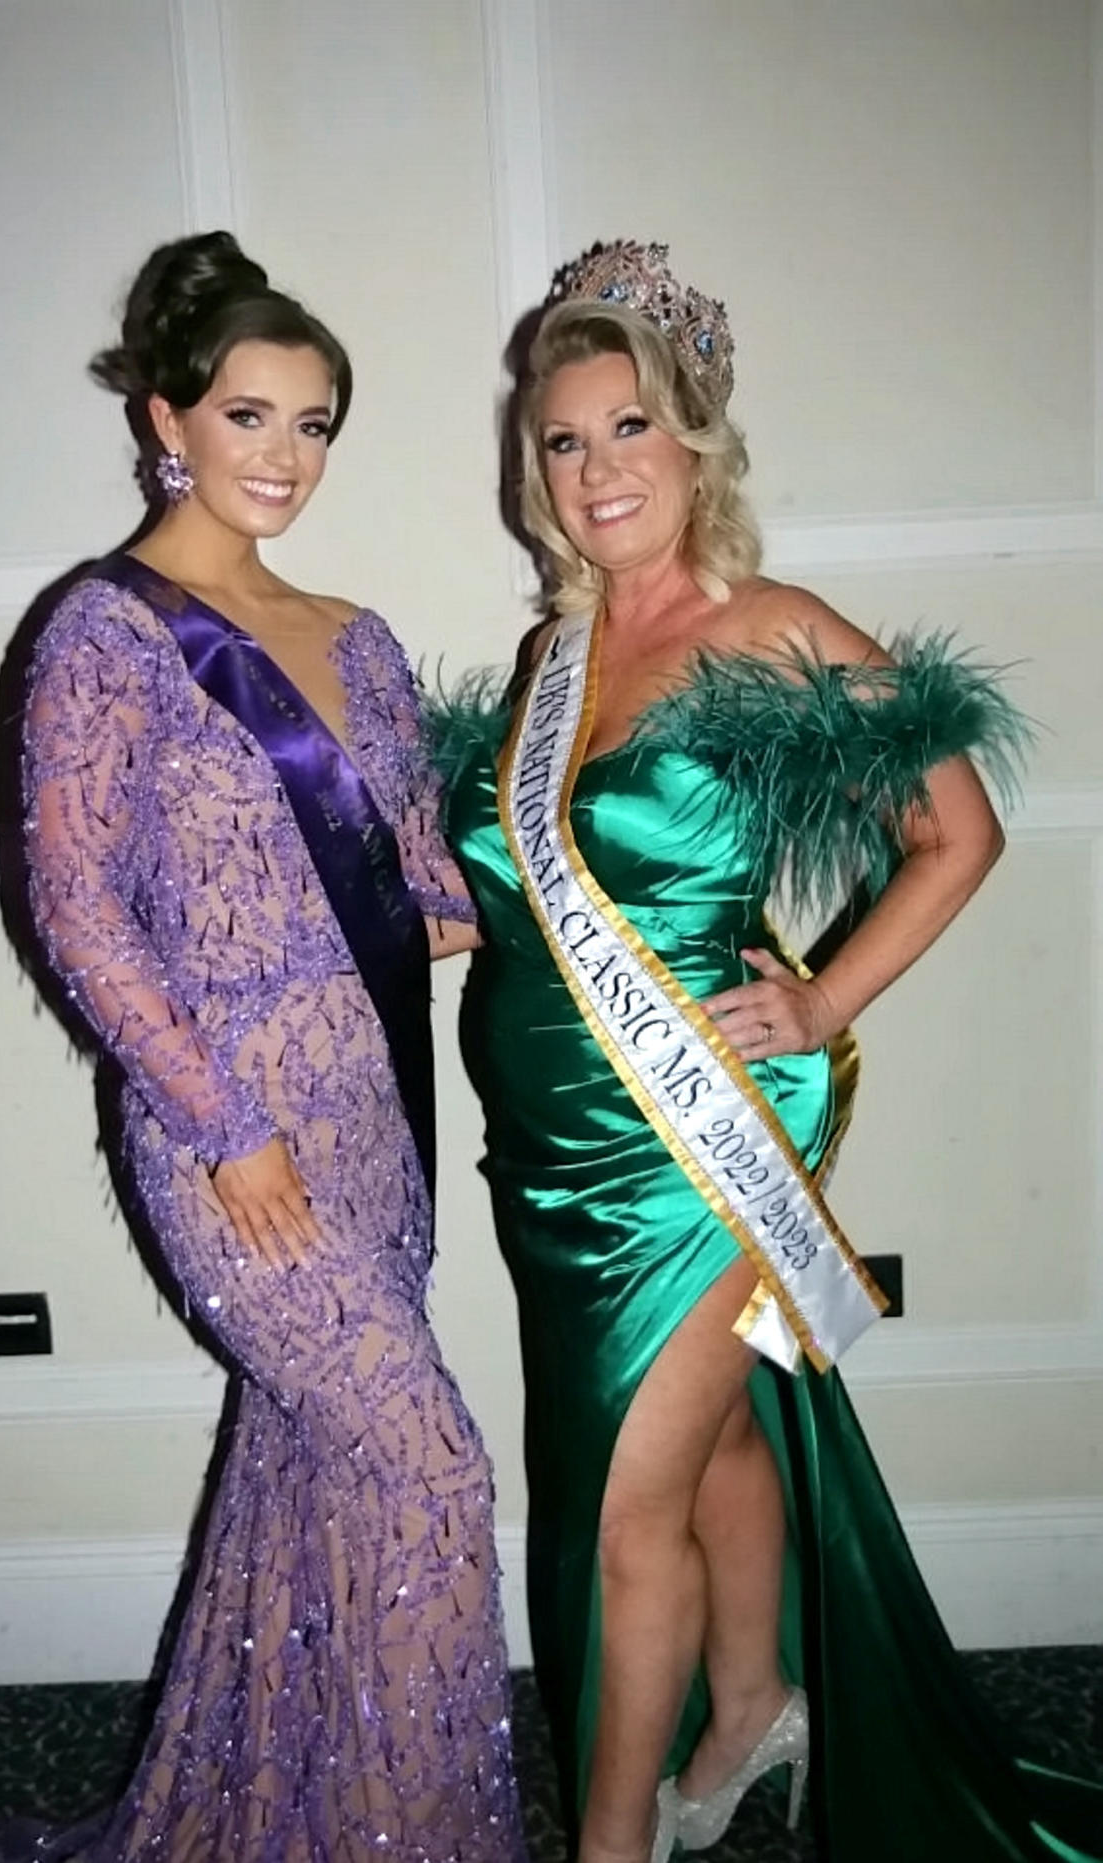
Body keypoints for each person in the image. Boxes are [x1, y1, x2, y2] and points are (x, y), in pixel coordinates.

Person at [433, 240, 1103, 1863]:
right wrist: (474, 915)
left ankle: (610, 1845)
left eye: (629, 429)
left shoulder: (770, 626)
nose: (597, 470)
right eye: (564, 439)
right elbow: (545, 878)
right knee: (710, 1432)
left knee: (616, 1505)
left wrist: (820, 1002)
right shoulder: (552, 656)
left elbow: (957, 830)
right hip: (550, 1157)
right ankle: (753, 1707)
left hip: (696, 1135)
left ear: (696, 443)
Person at [0, 231, 527, 1863]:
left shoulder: (357, 636)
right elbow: (74, 910)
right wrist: (222, 1121)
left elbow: (417, 878)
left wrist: (541, 879)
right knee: (431, 1478)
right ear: (169, 419)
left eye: (316, 422)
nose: (284, 455)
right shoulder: (103, 633)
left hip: (375, 1119)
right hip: (235, 1141)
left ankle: (277, 1822)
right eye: (251, 416)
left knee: (314, 1483)